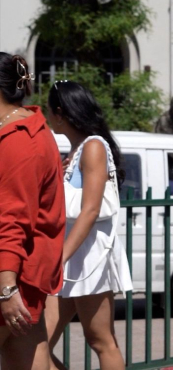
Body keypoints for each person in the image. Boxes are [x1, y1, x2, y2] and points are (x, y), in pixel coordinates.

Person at [44, 81, 134, 370]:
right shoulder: (77, 150)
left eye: (48, 111)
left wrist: (59, 258)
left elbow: (90, 210)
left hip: (86, 256)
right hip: (71, 257)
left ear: (60, 113)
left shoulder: (93, 146)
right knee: (37, 343)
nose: (47, 117)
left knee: (100, 340)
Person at [0, 53, 65, 370]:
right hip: (22, 276)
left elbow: (12, 219)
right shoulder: (26, 129)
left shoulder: (20, 141)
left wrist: (7, 287)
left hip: (13, 277)